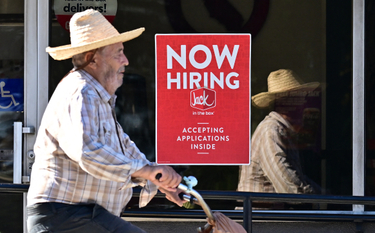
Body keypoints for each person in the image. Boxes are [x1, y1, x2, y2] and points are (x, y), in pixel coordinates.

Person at [27, 9, 184, 233]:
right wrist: (146, 171)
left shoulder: (97, 96)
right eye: (118, 52)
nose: (126, 61)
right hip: (66, 215)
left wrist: (157, 179)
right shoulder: (81, 92)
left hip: (76, 215)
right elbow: (87, 151)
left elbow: (122, 147)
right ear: (93, 58)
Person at [237, 69, 321, 197]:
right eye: (299, 99)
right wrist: (316, 197)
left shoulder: (282, 130)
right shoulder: (271, 131)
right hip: (260, 215)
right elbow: (288, 185)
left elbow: (295, 176)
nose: (304, 104)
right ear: (285, 102)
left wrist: (322, 193)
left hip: (269, 214)